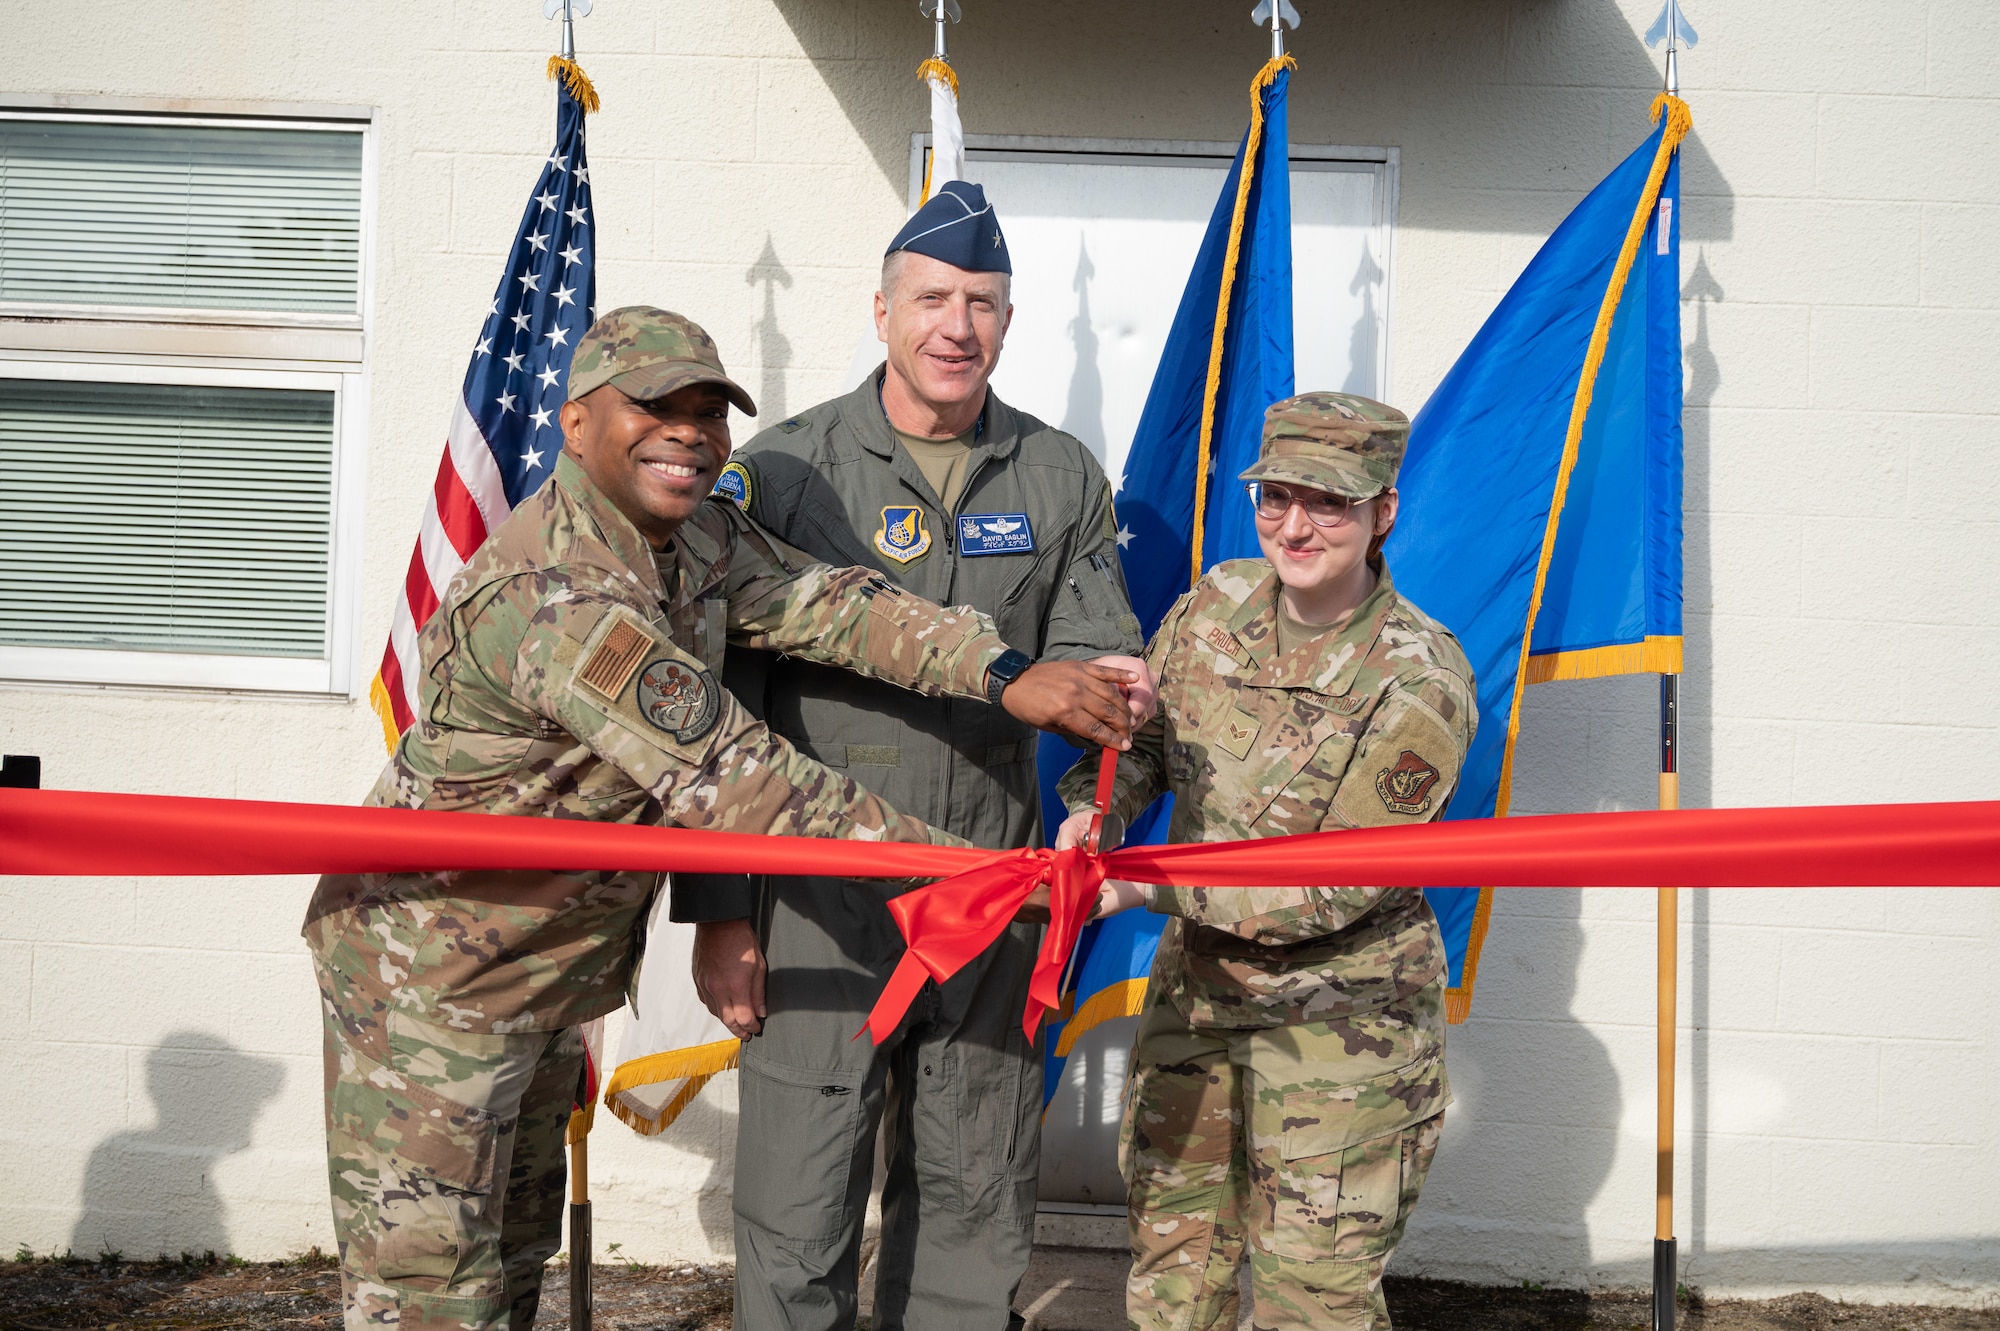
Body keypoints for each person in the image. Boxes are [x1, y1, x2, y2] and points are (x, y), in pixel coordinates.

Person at [302, 305, 1138, 1331]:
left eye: (708, 410)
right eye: (655, 406)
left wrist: (1005, 672)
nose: (689, 431)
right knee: (433, 1293)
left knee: (515, 1255)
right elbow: (740, 777)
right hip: (434, 981)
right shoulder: (558, 593)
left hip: (548, 965)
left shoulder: (691, 535)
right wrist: (972, 871)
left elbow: (827, 602)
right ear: (574, 423)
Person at [675, 181, 1148, 1331]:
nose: (956, 324)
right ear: (880, 310)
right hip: (815, 902)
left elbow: (1103, 679)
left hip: (991, 891)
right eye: (932, 297)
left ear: (1006, 322)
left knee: (973, 1199)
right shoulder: (783, 473)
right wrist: (720, 910)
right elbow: (720, 703)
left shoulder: (1059, 475)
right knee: (797, 1199)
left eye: (981, 302)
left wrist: (1098, 808)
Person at [1051, 393, 1477, 1331]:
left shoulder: (1421, 678)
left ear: (1383, 512)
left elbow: (1335, 882)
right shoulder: (1217, 601)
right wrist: (1098, 809)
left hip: (1340, 1033)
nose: (1295, 525)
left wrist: (1137, 886)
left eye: (1328, 502)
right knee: (1174, 1273)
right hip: (1198, 1003)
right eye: (1275, 495)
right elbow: (1146, 742)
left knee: (1311, 1303)